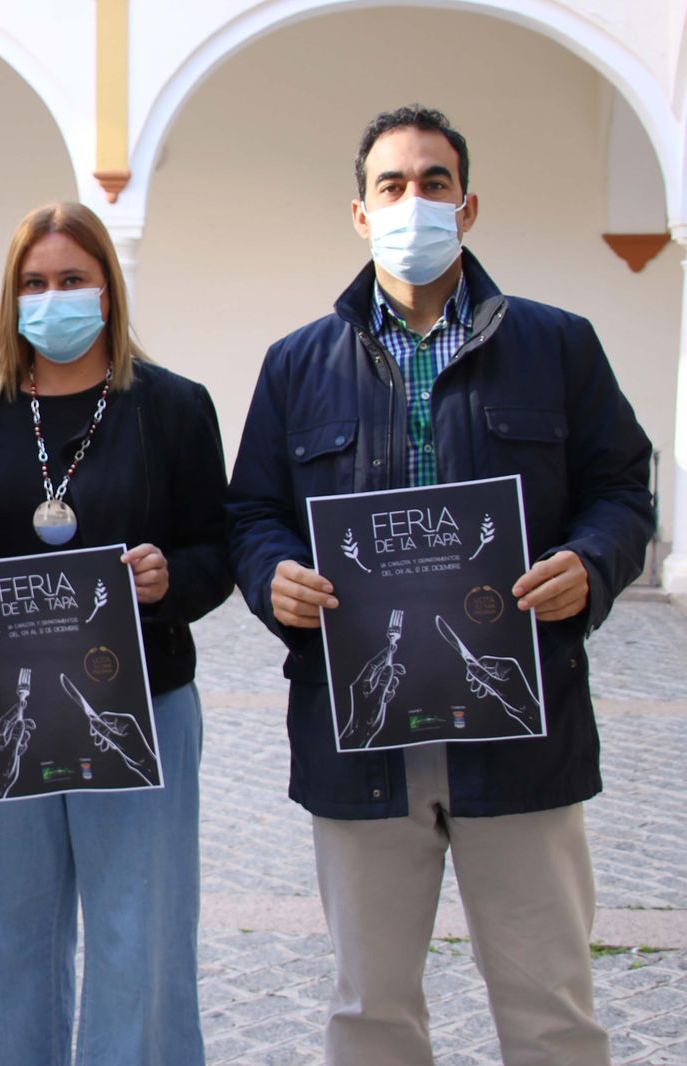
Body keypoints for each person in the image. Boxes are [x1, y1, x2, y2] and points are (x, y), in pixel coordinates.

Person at [226, 105, 655, 1065]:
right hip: (361, 733)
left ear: (466, 208)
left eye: (432, 182)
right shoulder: (297, 365)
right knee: (370, 1011)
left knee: (550, 1005)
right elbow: (251, 512)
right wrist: (273, 579)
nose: (412, 200)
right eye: (391, 185)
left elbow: (624, 488)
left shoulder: (559, 345)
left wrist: (591, 563)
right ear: (359, 212)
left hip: (522, 720)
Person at [0, 202, 231, 1064]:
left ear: (108, 291)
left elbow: (219, 549)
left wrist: (171, 579)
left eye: (73, 280)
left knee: (140, 933)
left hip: (138, 704)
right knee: (7, 932)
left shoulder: (171, 407)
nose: (54, 299)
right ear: (11, 298)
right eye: (34, 283)